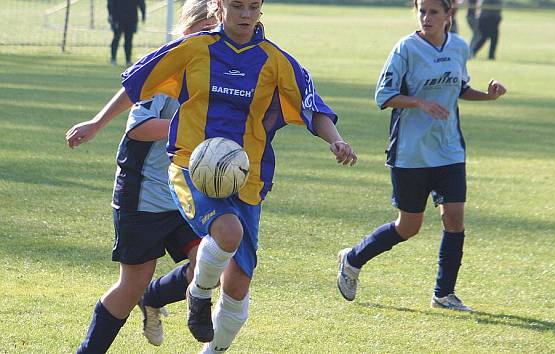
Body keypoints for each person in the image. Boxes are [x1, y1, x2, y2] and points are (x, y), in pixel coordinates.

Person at [78, 0, 357, 352]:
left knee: (239, 286)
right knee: (227, 232)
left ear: (261, 9)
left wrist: (337, 140)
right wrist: (97, 123)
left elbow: (312, 107)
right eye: (236, 5)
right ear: (219, 7)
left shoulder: (277, 61)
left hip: (246, 179)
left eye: (252, 6)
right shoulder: (193, 48)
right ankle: (197, 295)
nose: (245, 14)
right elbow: (138, 84)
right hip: (191, 169)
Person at [67, 1, 220, 352]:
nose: (207, 42)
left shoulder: (221, 73)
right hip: (144, 192)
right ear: (185, 33)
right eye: (202, 33)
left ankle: (154, 297)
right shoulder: (166, 69)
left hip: (187, 192)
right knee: (130, 285)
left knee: (211, 263)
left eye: (214, 35)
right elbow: (139, 128)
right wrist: (96, 123)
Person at [336, 0, 506, 312]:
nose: (426, 17)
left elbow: (460, 88)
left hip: (449, 149)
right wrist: (420, 103)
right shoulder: (406, 48)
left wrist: (488, 95)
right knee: (408, 226)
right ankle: (353, 258)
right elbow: (383, 96)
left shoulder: (458, 46)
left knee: (454, 218)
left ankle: (444, 294)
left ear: (448, 16)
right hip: (410, 153)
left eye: (433, 12)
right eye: (422, 11)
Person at [108, 0, 146, 66]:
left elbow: (141, 2)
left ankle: (128, 60)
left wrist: (143, 13)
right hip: (117, 17)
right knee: (116, 37)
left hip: (131, 17)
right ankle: (113, 59)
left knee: (129, 39)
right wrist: (110, 14)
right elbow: (110, 3)